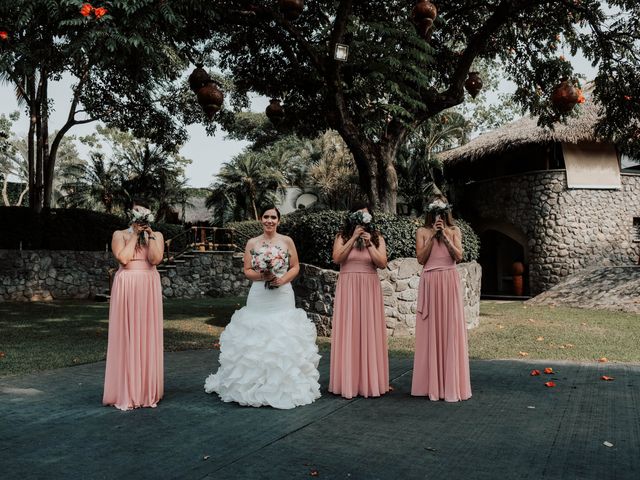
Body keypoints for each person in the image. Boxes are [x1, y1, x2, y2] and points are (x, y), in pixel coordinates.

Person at [204, 206, 321, 409]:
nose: (269, 220)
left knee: (282, 335)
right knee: (255, 336)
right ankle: (253, 385)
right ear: (261, 219)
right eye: (266, 217)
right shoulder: (252, 242)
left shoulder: (287, 241)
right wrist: (263, 276)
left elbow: (295, 266)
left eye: (273, 217)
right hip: (259, 294)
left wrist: (281, 279)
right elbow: (247, 270)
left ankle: (283, 385)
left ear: (278, 220)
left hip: (282, 294)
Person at [103, 199, 165, 410]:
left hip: (148, 284)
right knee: (126, 335)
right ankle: (126, 388)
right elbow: (124, 258)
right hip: (127, 285)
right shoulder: (119, 234)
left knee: (147, 335)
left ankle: (147, 389)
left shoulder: (157, 236)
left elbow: (155, 259)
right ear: (131, 217)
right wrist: (135, 235)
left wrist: (150, 235)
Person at [412, 195, 471, 402]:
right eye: (435, 210)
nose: (438, 214)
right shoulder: (422, 231)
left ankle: (451, 383)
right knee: (430, 331)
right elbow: (421, 259)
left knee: (450, 330)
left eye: (441, 210)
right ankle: (429, 385)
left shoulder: (454, 230)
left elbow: (459, 256)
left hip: (449, 281)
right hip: (430, 281)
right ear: (430, 211)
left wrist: (444, 235)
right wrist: (433, 237)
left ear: (446, 211)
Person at [329, 203, 389, 399]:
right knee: (349, 331)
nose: (362, 218)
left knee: (369, 330)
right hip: (348, 288)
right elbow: (337, 258)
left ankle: (371, 381)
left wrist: (370, 243)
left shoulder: (377, 237)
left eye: (366, 215)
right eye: (359, 214)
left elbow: (382, 263)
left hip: (369, 287)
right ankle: (347, 380)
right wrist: (354, 237)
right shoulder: (342, 236)